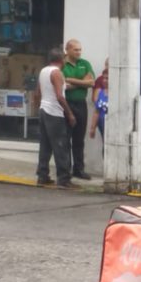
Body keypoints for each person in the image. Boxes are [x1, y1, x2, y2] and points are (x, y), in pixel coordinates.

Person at [36, 48, 77, 188]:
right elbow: (59, 96)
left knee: (45, 145)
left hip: (43, 109)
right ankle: (63, 178)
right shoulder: (57, 73)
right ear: (61, 60)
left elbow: (39, 91)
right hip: (54, 112)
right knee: (61, 145)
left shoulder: (43, 71)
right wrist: (69, 113)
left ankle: (42, 175)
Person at [61, 39, 94, 179]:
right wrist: (82, 83)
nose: (79, 52)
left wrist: (71, 80)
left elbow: (91, 82)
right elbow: (63, 86)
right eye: (76, 50)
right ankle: (66, 170)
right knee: (66, 138)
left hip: (81, 104)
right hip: (66, 104)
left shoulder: (84, 63)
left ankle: (79, 169)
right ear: (67, 50)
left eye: (80, 50)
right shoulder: (62, 64)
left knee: (79, 138)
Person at [89, 61, 108, 143]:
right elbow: (97, 111)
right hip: (102, 124)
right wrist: (93, 128)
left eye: (107, 78)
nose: (104, 80)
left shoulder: (118, 94)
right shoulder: (101, 92)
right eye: (104, 78)